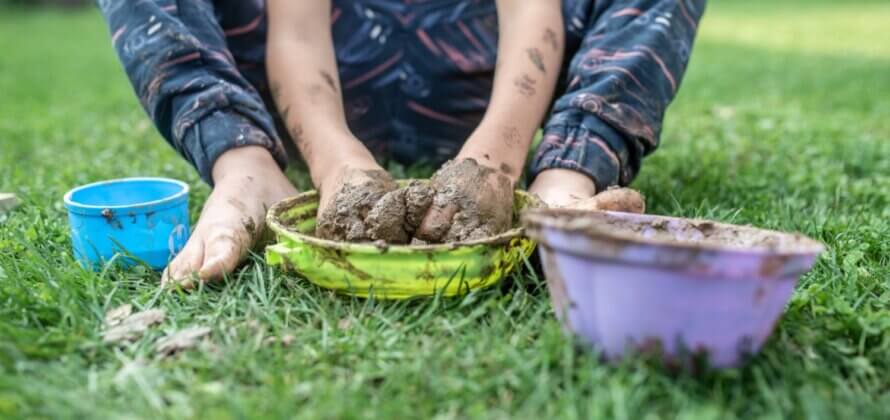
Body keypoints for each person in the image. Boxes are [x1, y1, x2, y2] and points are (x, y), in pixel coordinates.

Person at [98, 0, 704, 287]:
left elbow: (531, 15)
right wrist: (337, 163)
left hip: (480, 75)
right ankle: (248, 166)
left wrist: (492, 165)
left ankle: (564, 182)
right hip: (328, 76)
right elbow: (297, 31)